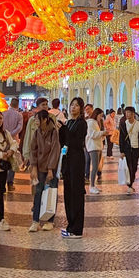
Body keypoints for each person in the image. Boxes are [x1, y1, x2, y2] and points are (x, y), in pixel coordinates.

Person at [59, 97, 87, 238]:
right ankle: (70, 225)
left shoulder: (82, 124)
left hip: (77, 160)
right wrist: (61, 129)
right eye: (72, 105)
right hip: (67, 160)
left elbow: (76, 142)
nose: (73, 108)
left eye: (76, 106)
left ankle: (77, 229)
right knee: (68, 193)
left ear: (81, 109)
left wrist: (64, 129)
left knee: (76, 193)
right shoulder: (69, 122)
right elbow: (63, 142)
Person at [29, 109, 61, 231]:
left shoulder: (53, 132)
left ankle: (50, 221)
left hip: (50, 168)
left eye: (38, 119)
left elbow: (55, 150)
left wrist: (50, 169)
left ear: (45, 119)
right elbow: (33, 150)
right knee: (38, 193)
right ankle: (35, 220)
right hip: (39, 167)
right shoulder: (37, 132)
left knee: (51, 193)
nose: (36, 121)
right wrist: (33, 167)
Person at [119, 106, 139, 193]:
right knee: (129, 166)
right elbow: (121, 138)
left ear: (133, 114)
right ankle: (130, 185)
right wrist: (121, 151)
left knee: (134, 166)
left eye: (129, 113)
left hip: (136, 149)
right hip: (127, 149)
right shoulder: (123, 124)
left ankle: (131, 182)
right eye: (126, 113)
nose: (127, 114)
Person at [2, 98, 23, 192]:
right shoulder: (19, 115)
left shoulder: (3, 113)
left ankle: (2, 183)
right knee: (12, 162)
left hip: (3, 140)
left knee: (3, 159)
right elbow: (19, 128)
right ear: (17, 105)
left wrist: (6, 134)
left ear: (10, 104)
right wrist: (11, 134)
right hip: (13, 140)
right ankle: (10, 183)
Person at [22, 98, 52, 163]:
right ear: (38, 107)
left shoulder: (52, 118)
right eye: (43, 104)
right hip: (35, 152)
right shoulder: (32, 120)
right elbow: (28, 137)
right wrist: (26, 154)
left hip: (48, 152)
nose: (45, 106)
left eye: (46, 104)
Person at [86, 108, 106, 193]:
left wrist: (103, 135)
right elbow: (92, 134)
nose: (101, 118)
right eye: (100, 116)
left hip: (98, 146)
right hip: (93, 147)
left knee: (96, 166)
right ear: (96, 114)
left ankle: (94, 185)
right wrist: (102, 133)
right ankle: (92, 186)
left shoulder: (96, 123)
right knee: (94, 167)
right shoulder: (91, 123)